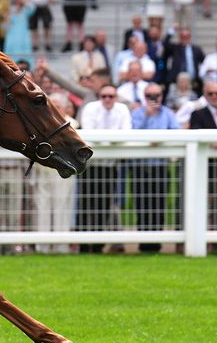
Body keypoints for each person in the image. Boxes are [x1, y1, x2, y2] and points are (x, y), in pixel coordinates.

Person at [77, 84, 131, 253]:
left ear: (116, 97)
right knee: (86, 204)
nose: (107, 99)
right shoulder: (91, 108)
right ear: (99, 97)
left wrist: (107, 140)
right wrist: (111, 139)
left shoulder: (122, 109)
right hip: (89, 165)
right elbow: (88, 133)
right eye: (104, 96)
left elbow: (126, 133)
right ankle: (84, 246)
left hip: (110, 165)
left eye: (111, 96)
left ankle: (99, 245)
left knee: (105, 205)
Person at [130, 82, 179, 253]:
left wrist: (161, 140)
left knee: (159, 203)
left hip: (160, 165)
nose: (153, 99)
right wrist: (147, 116)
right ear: (144, 97)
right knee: (141, 204)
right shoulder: (137, 113)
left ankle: (157, 242)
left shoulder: (168, 114)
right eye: (149, 96)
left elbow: (176, 132)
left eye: (156, 95)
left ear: (161, 96)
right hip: (140, 166)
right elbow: (132, 132)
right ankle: (143, 242)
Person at [33, 92, 78, 254]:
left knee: (61, 207)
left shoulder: (73, 124)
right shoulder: (42, 123)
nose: (55, 109)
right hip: (43, 170)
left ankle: (61, 245)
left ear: (65, 108)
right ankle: (42, 246)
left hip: (63, 170)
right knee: (42, 206)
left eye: (58, 106)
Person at [166, 27, 204, 94]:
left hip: (193, 83)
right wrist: (172, 31)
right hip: (176, 83)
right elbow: (165, 44)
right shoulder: (175, 48)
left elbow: (204, 62)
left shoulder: (196, 49)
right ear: (180, 37)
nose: (185, 38)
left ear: (190, 37)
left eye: (187, 36)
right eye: (183, 36)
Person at [3, 0, 35, 64]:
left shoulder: (25, 12)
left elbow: (33, 8)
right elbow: (5, 27)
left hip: (24, 35)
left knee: (25, 50)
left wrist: (23, 1)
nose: (18, 5)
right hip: (13, 36)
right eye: (16, 3)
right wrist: (7, 17)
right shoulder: (11, 13)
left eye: (20, 4)